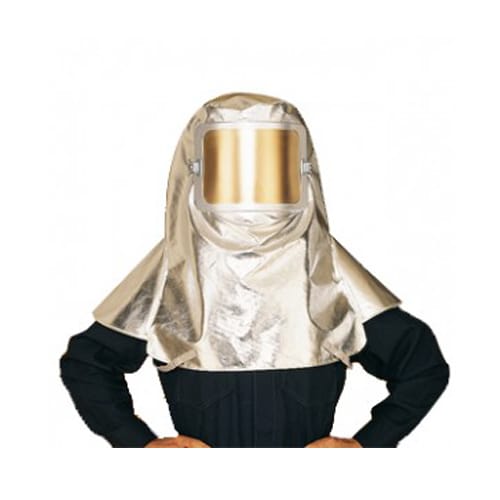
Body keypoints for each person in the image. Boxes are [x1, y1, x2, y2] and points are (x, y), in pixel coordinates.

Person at [59, 92, 450, 448]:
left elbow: (422, 367)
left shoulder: (325, 269)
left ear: (302, 171)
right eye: (231, 165)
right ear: (195, 170)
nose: (251, 187)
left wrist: (367, 444)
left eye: (269, 164)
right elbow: (88, 363)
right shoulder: (175, 269)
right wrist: (139, 443)